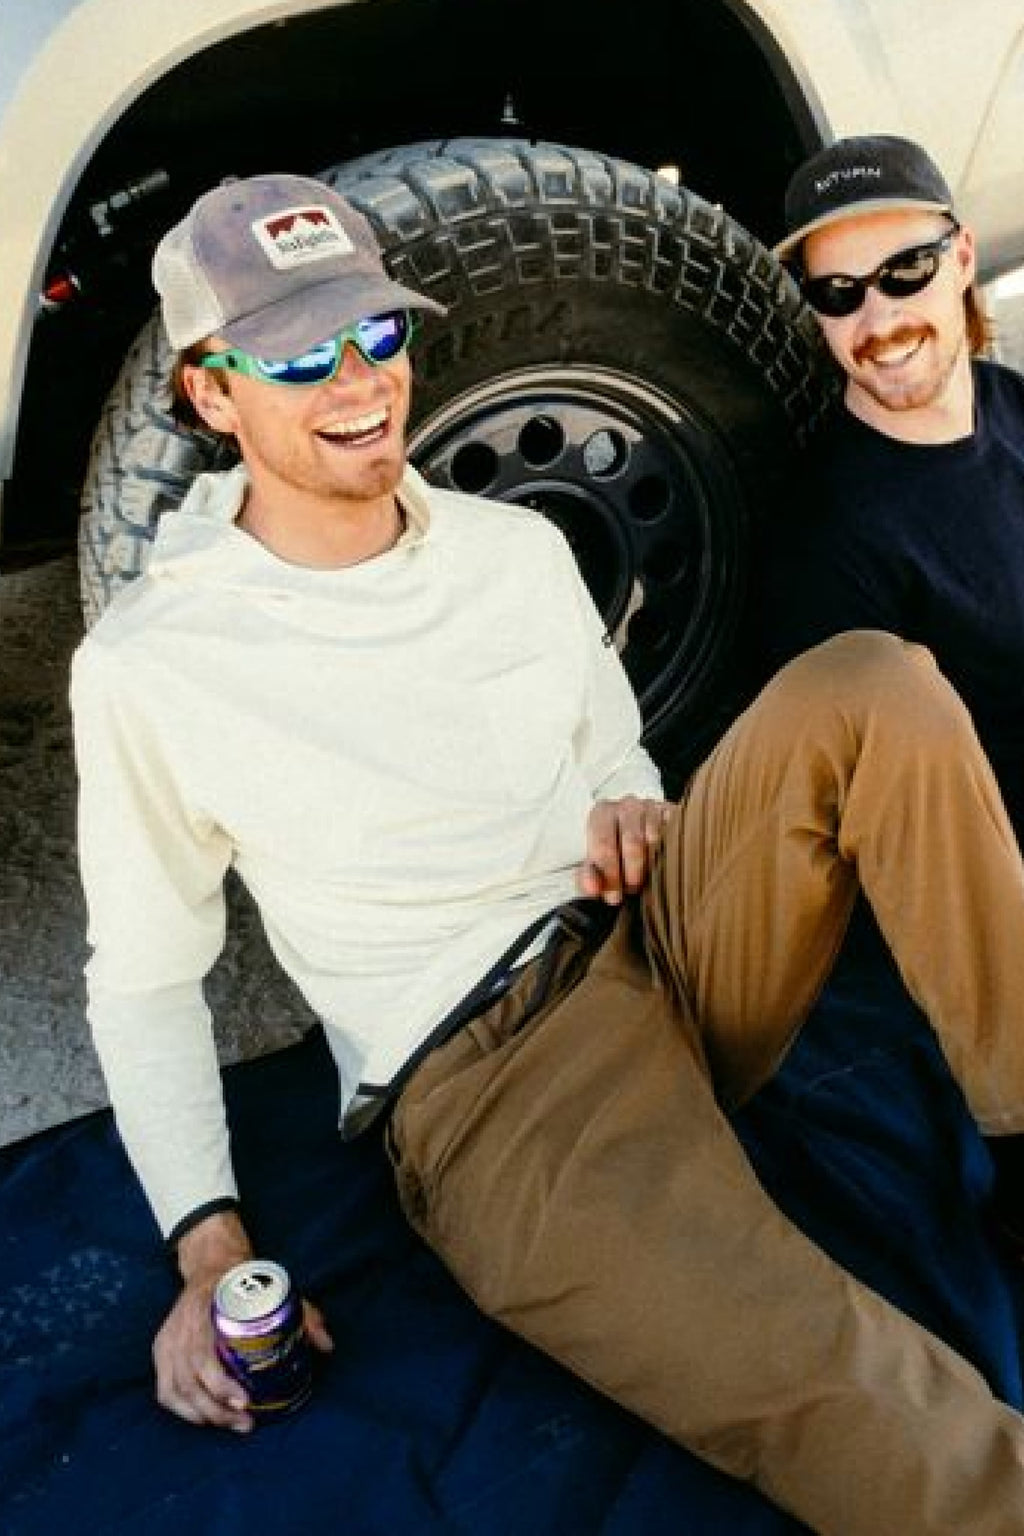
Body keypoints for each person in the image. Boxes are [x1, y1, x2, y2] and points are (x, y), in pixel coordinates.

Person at [71, 172, 1024, 1536]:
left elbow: (611, 752)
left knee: (878, 683)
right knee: (851, 1389)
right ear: (211, 390)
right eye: (296, 354)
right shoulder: (154, 665)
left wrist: (631, 800)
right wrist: (205, 1240)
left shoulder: (513, 545)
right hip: (495, 1078)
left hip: (657, 925)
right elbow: (148, 981)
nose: (358, 383)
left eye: (377, 335)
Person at [755, 131, 1024, 1233]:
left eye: (904, 272)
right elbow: (896, 849)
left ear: (960, 257)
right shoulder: (831, 538)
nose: (877, 321)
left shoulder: (1009, 405)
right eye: (838, 293)